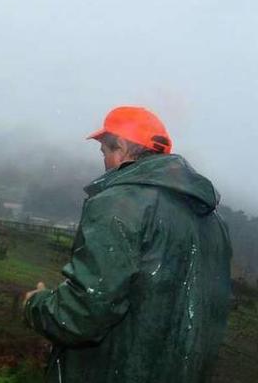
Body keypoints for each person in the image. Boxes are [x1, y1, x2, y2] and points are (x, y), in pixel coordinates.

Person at [23, 106, 232, 382]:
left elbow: (84, 313)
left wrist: (36, 304)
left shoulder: (120, 203)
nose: (105, 161)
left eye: (105, 152)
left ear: (120, 147)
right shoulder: (212, 222)